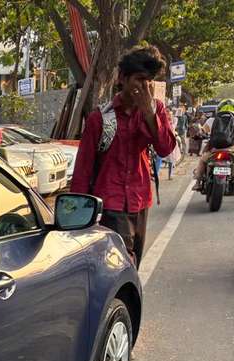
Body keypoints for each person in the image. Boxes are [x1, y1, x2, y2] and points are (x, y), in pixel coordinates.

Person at [70, 45, 177, 268]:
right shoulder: (100, 118)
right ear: (122, 78)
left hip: (140, 201)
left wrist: (149, 115)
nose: (144, 87)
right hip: (110, 205)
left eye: (149, 81)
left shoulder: (156, 111)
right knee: (119, 266)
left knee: (133, 265)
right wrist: (76, 216)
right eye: (139, 79)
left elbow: (166, 149)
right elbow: (83, 170)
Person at [193, 99, 234, 183]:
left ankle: (197, 182)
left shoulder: (211, 120)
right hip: (231, 149)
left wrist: (197, 136)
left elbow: (202, 132)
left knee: (203, 160)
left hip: (214, 149)